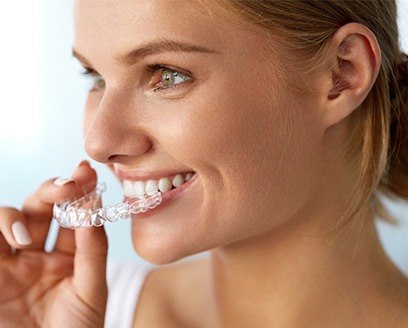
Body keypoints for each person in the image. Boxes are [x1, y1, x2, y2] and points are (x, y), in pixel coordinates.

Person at [0, 0, 407, 327]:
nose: (99, 142)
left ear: (341, 74)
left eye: (168, 74)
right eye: (97, 77)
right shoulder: (71, 311)